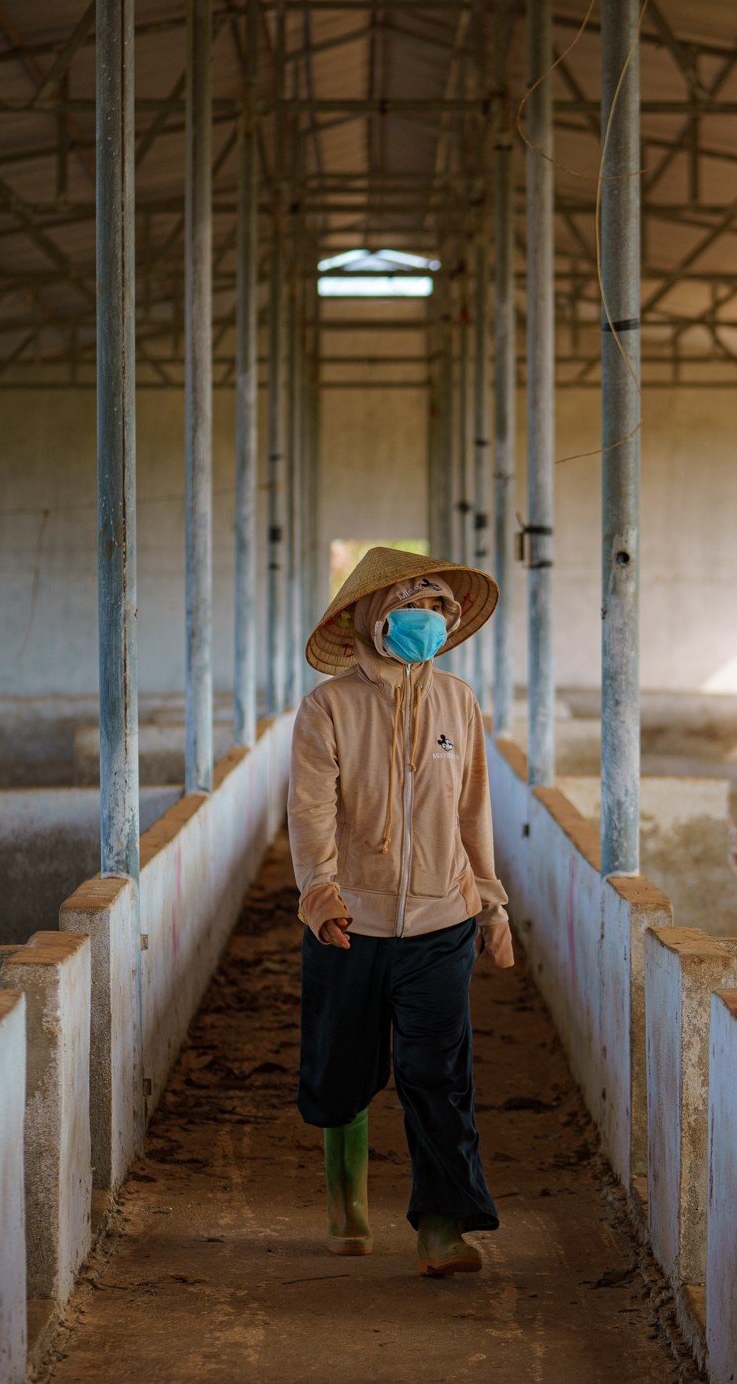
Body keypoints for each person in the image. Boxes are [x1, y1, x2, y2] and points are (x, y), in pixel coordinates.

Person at [287, 546, 514, 1277]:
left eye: (435, 607)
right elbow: (311, 813)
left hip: (441, 921)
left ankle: (442, 1228)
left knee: (438, 1071)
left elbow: (474, 809)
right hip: (351, 922)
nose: (425, 619)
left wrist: (489, 905)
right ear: (368, 619)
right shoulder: (329, 708)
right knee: (341, 1070)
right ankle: (347, 1206)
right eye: (407, 606)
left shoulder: (458, 702)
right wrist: (320, 895)